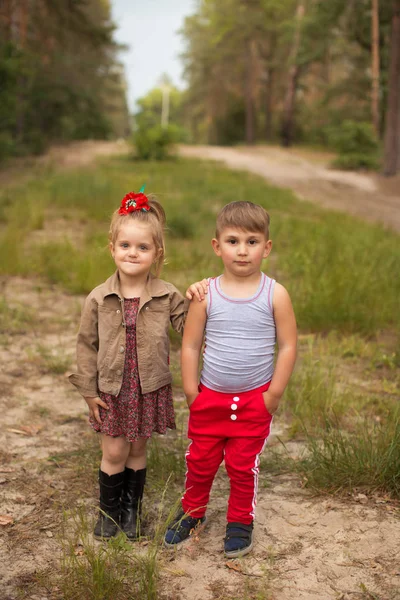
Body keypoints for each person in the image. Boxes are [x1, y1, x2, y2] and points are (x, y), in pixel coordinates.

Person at [69, 189, 207, 540]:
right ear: (112, 247)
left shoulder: (166, 294)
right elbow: (86, 346)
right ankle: (108, 512)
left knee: (137, 449)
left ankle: (132, 512)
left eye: (142, 248)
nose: (133, 253)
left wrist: (198, 298)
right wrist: (88, 392)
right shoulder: (99, 298)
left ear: (156, 253)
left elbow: (188, 327)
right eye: (125, 245)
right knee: (114, 450)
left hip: (148, 387)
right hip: (112, 390)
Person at [164, 200, 297, 558]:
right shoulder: (206, 295)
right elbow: (190, 345)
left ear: (266, 248)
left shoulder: (275, 294)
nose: (242, 250)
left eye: (252, 242)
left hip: (254, 400)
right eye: (233, 241)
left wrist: (274, 393)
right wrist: (192, 391)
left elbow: (287, 346)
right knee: (201, 460)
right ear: (216, 245)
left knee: (242, 465)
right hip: (210, 398)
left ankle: (240, 520)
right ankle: (192, 512)